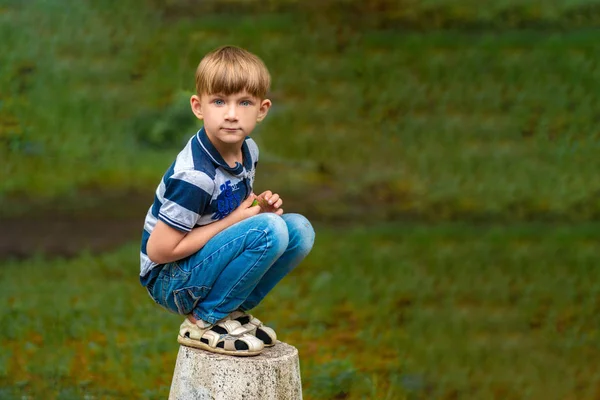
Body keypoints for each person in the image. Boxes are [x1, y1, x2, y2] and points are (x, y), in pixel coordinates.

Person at [139, 45, 315, 357]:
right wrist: (239, 221)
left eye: (244, 102)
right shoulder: (195, 175)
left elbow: (228, 208)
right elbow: (159, 249)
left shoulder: (249, 150)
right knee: (269, 232)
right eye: (219, 101)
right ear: (198, 106)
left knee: (299, 229)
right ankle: (203, 320)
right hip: (169, 279)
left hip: (200, 264)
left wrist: (258, 208)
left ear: (261, 110)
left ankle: (229, 310)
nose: (231, 114)